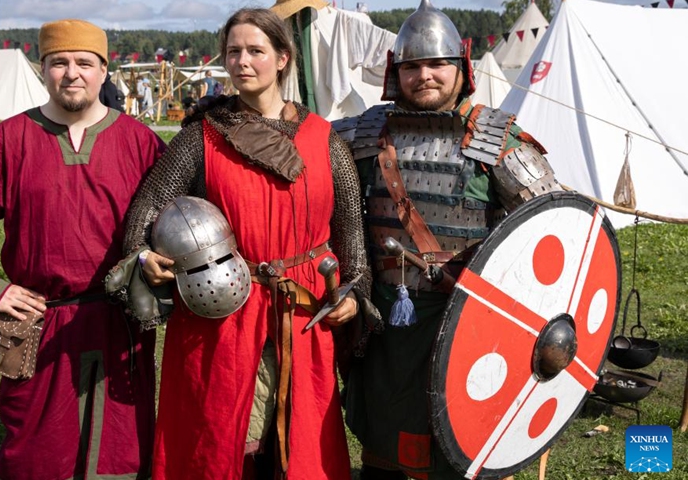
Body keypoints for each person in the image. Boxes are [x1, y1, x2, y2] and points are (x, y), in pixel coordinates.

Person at [123, 7, 376, 479]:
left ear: (282, 58)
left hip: (302, 309)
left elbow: (350, 236)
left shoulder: (325, 140)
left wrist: (354, 293)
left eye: (256, 50)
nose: (242, 61)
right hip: (223, 307)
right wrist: (145, 255)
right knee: (220, 439)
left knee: (299, 440)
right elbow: (149, 206)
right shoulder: (202, 136)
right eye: (233, 51)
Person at [333, 1, 562, 479]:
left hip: (466, 327)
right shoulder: (362, 134)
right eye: (413, 66)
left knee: (459, 451)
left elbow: (552, 235)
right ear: (397, 72)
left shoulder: (495, 139)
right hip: (384, 327)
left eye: (438, 63)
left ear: (462, 65)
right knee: (383, 452)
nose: (425, 76)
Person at [0, 18, 166, 480]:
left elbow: (175, 225)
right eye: (59, 62)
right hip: (38, 322)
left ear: (104, 71)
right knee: (36, 456)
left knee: (120, 453)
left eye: (85, 62)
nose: (72, 73)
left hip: (117, 321)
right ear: (43, 69)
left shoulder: (140, 144)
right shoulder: (9, 140)